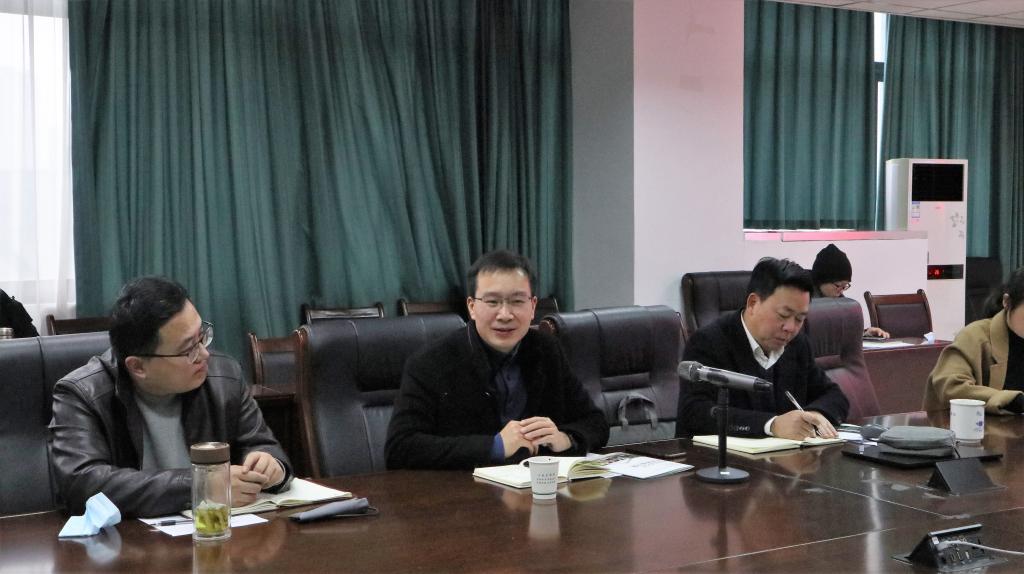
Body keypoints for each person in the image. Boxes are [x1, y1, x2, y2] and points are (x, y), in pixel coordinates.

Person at [49, 276, 292, 517]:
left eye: (202, 337)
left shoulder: (224, 376)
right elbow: (82, 485)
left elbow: (263, 444)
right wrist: (200, 486)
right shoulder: (82, 395)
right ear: (138, 367)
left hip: (216, 531)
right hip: (129, 537)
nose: (204, 354)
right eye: (188, 349)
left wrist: (271, 466)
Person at [385, 249, 608, 470]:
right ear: (472, 307)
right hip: (462, 489)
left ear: (532, 306)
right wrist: (495, 446)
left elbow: (595, 422)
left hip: (538, 485)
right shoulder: (431, 363)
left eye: (517, 301)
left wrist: (565, 438)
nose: (505, 315)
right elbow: (400, 448)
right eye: (492, 302)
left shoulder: (546, 350)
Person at [676, 257, 849, 440]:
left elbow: (835, 396)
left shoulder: (798, 345)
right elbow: (695, 412)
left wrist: (814, 415)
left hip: (787, 456)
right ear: (753, 303)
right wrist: (771, 425)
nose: (791, 327)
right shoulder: (709, 342)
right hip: (718, 455)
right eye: (783, 315)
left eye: (800, 319)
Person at [924, 267, 1024, 414]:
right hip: (972, 426)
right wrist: (1012, 400)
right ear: (1007, 302)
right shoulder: (974, 337)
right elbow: (951, 386)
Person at [810, 243, 890, 338]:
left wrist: (864, 334)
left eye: (844, 286)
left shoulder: (839, 301)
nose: (841, 291)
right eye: (838, 285)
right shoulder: (803, 300)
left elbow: (841, 332)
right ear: (822, 280)